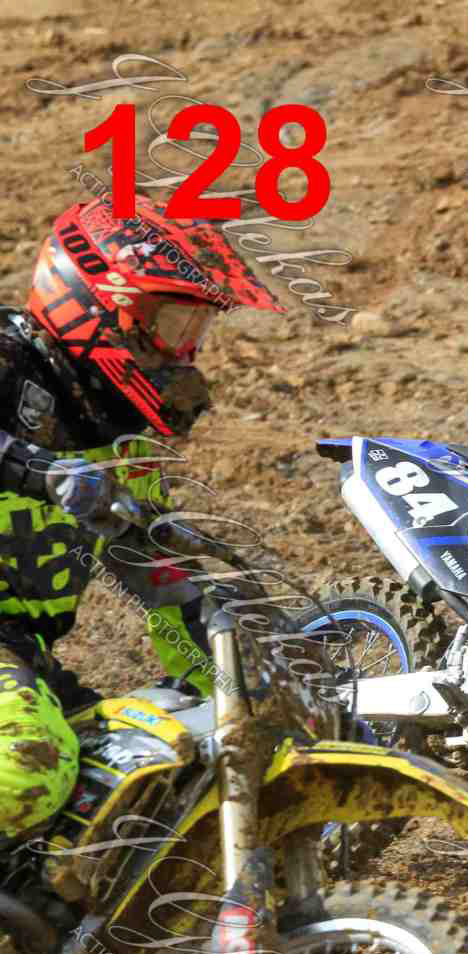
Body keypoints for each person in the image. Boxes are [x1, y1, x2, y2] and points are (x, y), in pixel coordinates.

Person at [0, 195, 282, 837]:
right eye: (169, 325)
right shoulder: (8, 362)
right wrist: (40, 470)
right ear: (98, 302)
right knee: (24, 771)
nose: (180, 354)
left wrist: (231, 677)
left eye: (192, 332)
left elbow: (150, 566)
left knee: (138, 786)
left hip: (20, 651)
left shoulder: (122, 435)